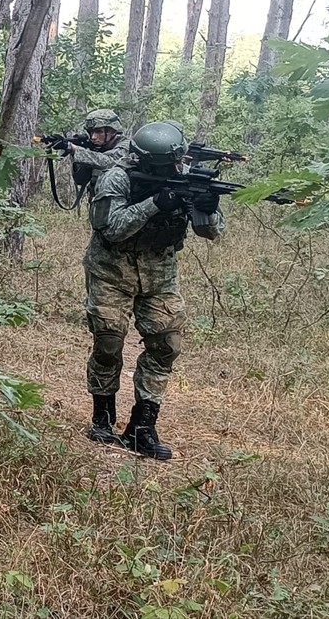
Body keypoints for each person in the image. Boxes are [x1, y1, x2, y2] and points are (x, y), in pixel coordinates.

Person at [82, 120, 224, 460]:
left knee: (166, 345)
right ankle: (102, 416)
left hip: (160, 275)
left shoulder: (186, 176)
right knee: (108, 341)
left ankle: (142, 427)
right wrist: (155, 204)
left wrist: (206, 206)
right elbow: (111, 229)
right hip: (111, 271)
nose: (175, 167)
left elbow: (212, 233)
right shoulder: (116, 178)